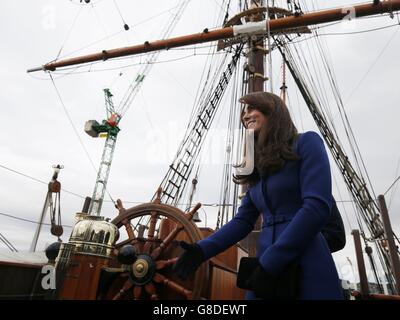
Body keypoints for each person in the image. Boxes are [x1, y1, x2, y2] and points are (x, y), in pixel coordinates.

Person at [173, 91, 344, 300]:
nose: (246, 116)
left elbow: (316, 208)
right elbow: (243, 221)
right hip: (263, 266)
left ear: (273, 110)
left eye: (252, 108)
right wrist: (201, 250)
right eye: (244, 112)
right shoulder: (257, 170)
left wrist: (270, 262)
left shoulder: (307, 143)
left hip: (305, 259)